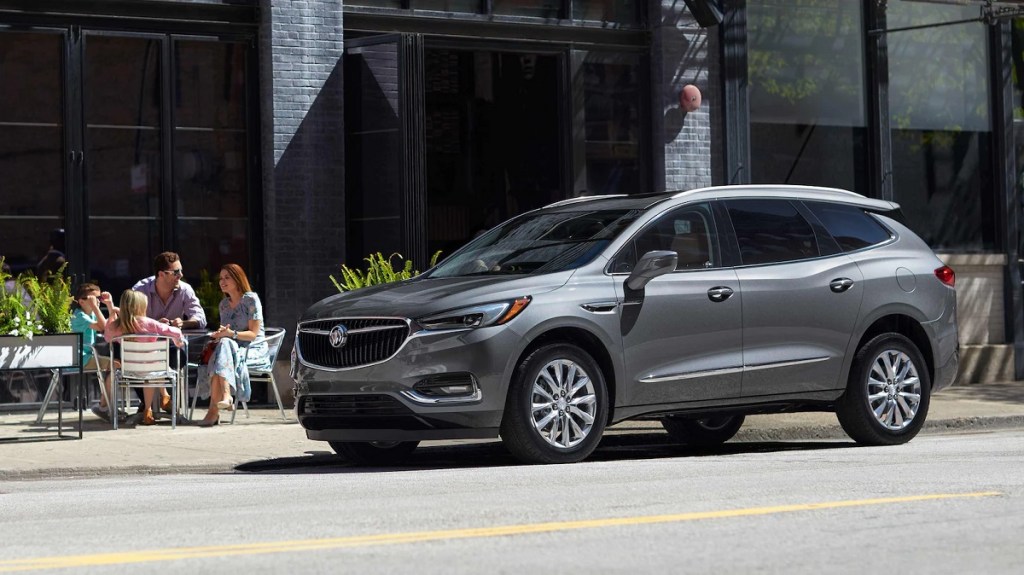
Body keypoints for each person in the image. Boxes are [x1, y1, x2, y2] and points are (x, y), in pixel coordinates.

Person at [195, 264, 266, 427]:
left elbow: (253, 334)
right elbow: (226, 332)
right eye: (221, 278)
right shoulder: (224, 305)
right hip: (230, 348)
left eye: (227, 277)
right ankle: (225, 398)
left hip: (252, 348)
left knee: (224, 347)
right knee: (222, 347)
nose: (222, 281)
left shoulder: (251, 299)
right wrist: (220, 335)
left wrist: (229, 335)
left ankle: (214, 410)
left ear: (238, 279)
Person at [103, 290, 184, 426]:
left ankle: (150, 409)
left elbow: (107, 336)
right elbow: (176, 332)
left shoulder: (117, 326)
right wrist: (177, 341)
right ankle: (154, 404)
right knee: (154, 367)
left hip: (130, 369)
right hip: (153, 368)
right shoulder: (150, 323)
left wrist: (112, 314)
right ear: (141, 307)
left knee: (151, 370)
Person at [69, 283, 117, 421]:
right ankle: (104, 406)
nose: (97, 301)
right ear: (81, 301)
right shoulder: (80, 317)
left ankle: (106, 404)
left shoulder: (91, 315)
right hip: (79, 358)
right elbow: (103, 327)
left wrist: (109, 304)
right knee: (115, 365)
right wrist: (97, 308)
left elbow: (110, 327)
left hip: (87, 356)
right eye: (93, 298)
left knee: (117, 364)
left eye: (99, 298)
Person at [131, 252, 207, 330]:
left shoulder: (185, 289)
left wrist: (183, 324)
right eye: (176, 272)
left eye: (181, 270)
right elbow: (129, 322)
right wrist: (155, 325)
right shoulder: (140, 290)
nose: (181, 275)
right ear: (161, 274)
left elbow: (201, 319)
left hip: (175, 341)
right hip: (146, 341)